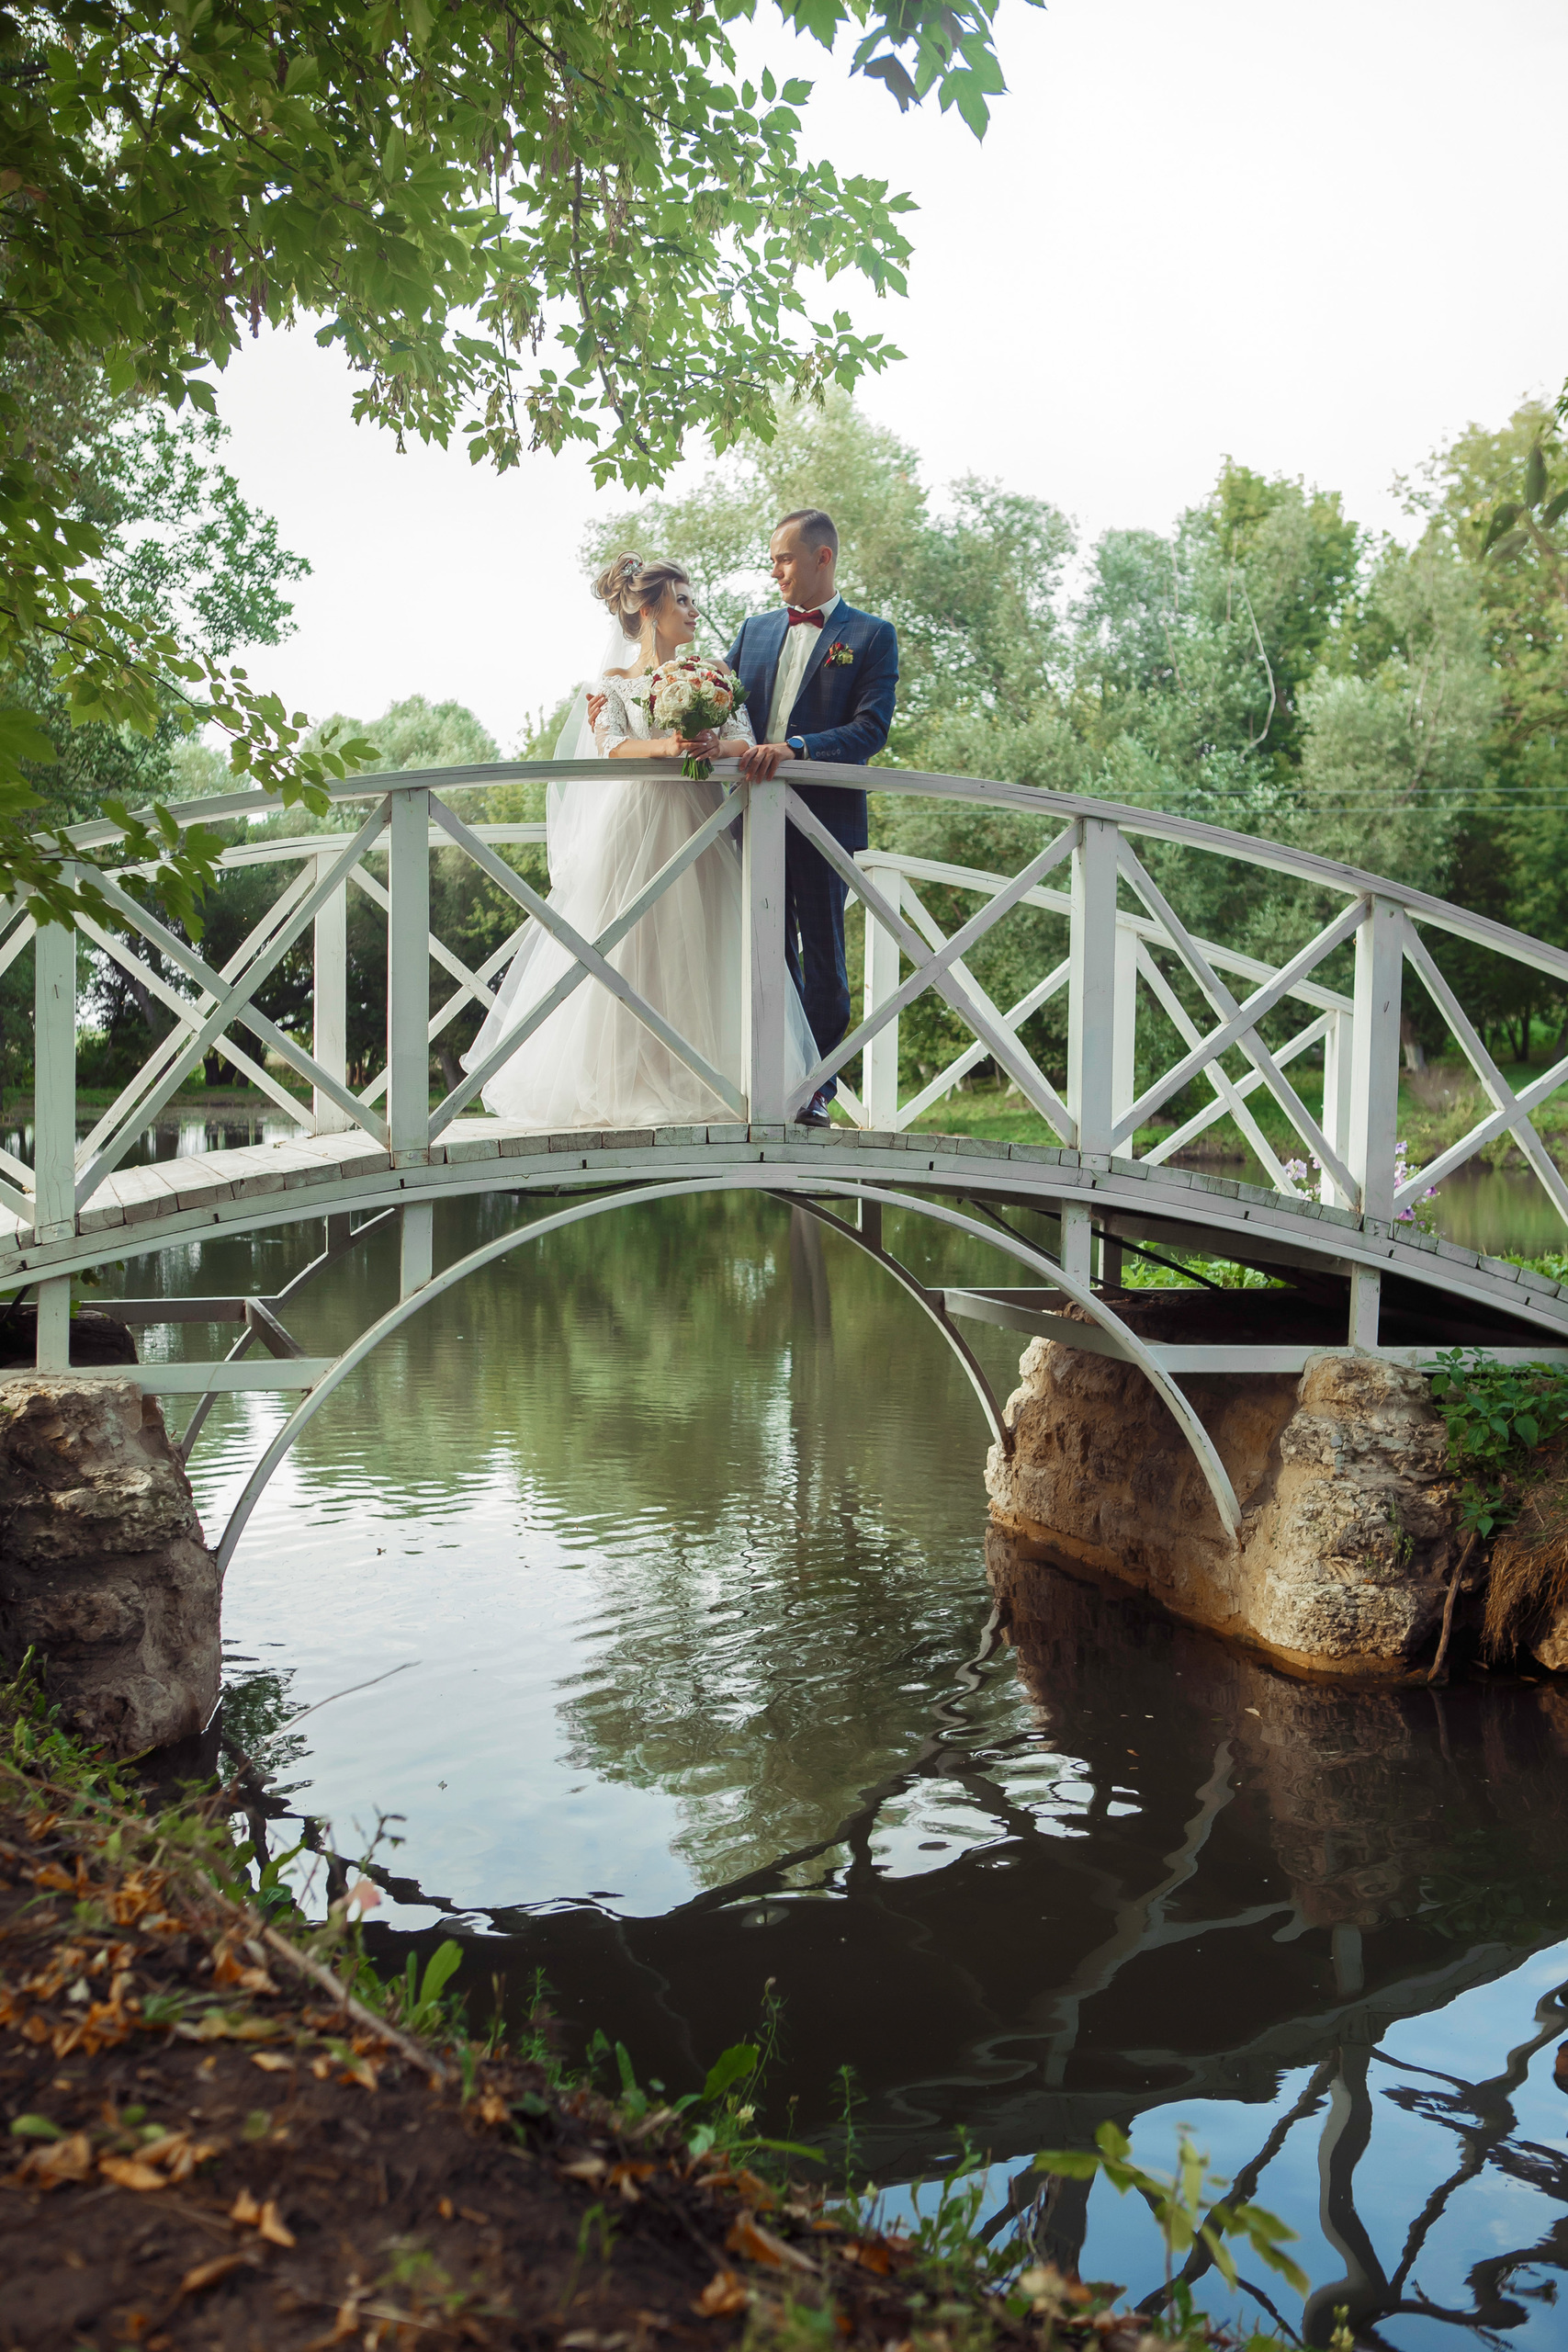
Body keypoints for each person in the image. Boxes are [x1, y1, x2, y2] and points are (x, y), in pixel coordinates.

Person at [463, 552, 816, 1130]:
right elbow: (611, 744)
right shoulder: (613, 685)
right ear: (652, 610)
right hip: (634, 824)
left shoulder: (711, 674)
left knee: (697, 942)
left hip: (697, 826)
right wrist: (668, 748)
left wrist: (710, 743)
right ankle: (622, 1080)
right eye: (683, 601)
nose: (695, 612)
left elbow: (742, 740)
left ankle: (706, 1079)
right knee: (628, 943)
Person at [727, 510, 898, 1125]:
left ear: (822, 558)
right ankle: (774, 1081)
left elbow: (869, 731)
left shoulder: (872, 637)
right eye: (772, 560)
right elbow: (715, 707)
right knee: (766, 954)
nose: (775, 571)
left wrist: (797, 750)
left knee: (825, 959)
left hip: (824, 820)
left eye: (785, 559)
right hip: (751, 819)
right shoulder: (753, 632)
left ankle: (817, 1086)